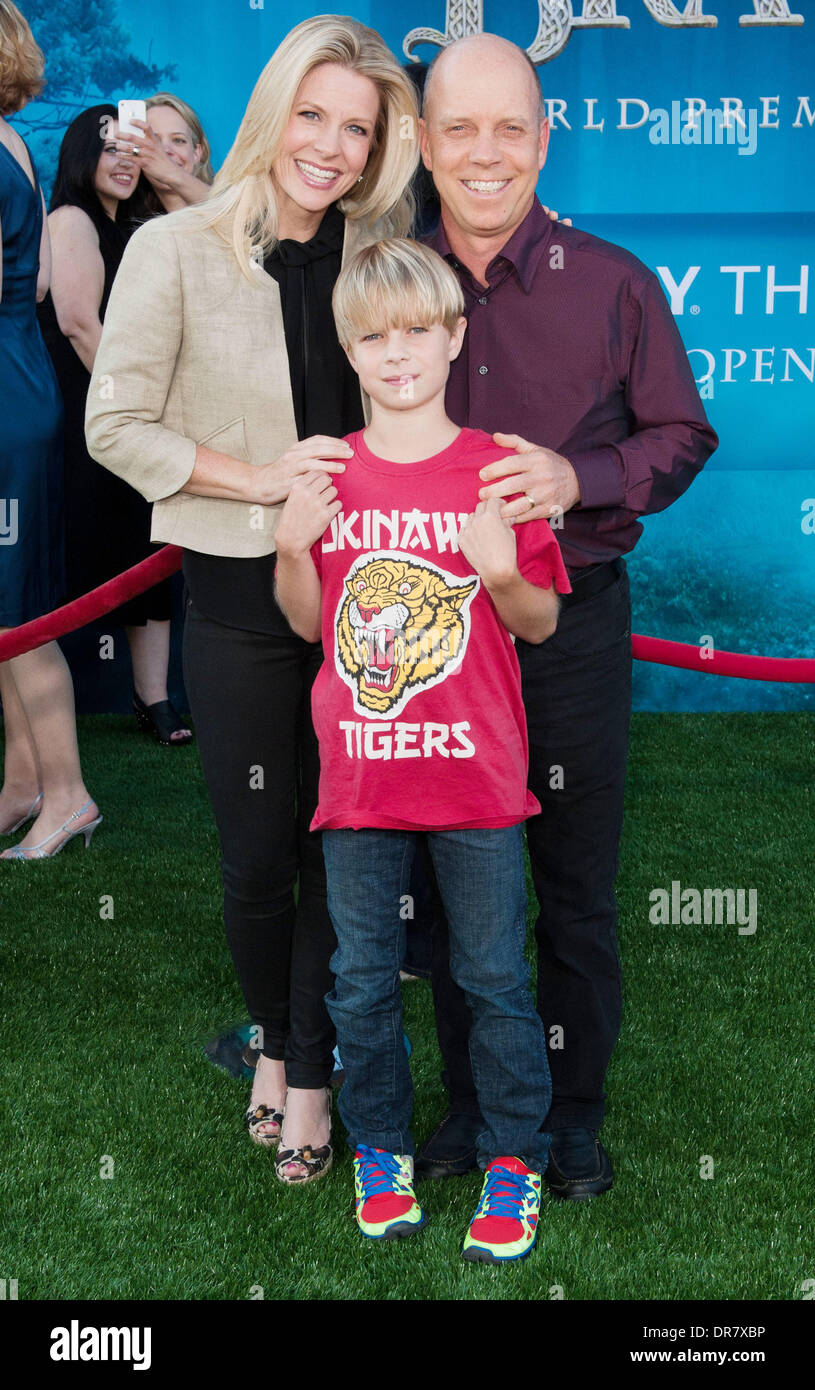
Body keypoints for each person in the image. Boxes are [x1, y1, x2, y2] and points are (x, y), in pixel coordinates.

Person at [85, 16, 419, 1181]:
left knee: (348, 843)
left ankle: (312, 1072)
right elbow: (116, 424)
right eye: (314, 116)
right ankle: (273, 1041)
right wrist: (265, 478)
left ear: (381, 148)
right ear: (274, 112)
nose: (329, 147)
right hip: (233, 588)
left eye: (358, 129)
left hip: (370, 594)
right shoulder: (173, 251)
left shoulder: (382, 256)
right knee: (256, 849)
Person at [413, 33, 719, 1196]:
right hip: (431, 631)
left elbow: (679, 434)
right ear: (427, 145)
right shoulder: (388, 282)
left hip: (569, 624)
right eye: (459, 129)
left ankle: (570, 1114)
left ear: (544, 139)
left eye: (509, 128)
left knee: (572, 885)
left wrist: (572, 479)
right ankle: (468, 1106)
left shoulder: (614, 281)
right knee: (443, 882)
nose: (485, 155)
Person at [275, 237, 571, 1261]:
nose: (394, 352)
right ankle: (381, 1149)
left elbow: (536, 622)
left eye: (415, 330)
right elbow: (311, 625)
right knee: (359, 979)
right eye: (371, 335)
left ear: (452, 336)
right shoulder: (329, 472)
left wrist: (495, 571)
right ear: (347, 348)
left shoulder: (496, 468)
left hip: (477, 776)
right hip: (358, 776)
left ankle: (511, 1160)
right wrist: (286, 543)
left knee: (491, 975)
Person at [36, 105, 193, 747]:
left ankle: (153, 700)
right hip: (88, 422)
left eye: (135, 150)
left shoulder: (138, 226)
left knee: (148, 550)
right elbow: (80, 326)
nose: (126, 160)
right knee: (87, 557)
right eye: (111, 148)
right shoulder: (71, 220)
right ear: (79, 157)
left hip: (126, 418)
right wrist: (137, 410)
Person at [0, 0, 101, 861]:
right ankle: (23, 782)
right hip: (17, 388)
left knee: (18, 613)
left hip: (6, 402)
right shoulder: (15, 143)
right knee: (3, 605)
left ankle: (66, 794)